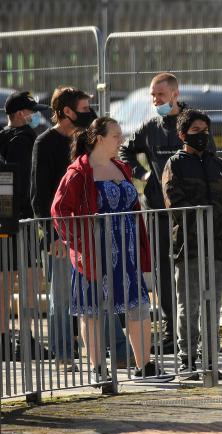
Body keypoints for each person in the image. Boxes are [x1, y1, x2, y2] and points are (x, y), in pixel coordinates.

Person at [51, 117, 164, 381]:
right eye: (116, 136)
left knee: (138, 306)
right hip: (93, 254)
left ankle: (144, 366)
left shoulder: (122, 167)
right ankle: (98, 368)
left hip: (127, 251)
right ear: (99, 138)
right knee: (92, 311)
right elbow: (59, 211)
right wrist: (79, 243)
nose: (121, 141)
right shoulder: (78, 172)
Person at [31, 86, 129, 372]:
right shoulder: (45, 143)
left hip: (91, 234)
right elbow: (40, 196)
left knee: (102, 292)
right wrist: (52, 236)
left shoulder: (87, 139)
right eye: (84, 109)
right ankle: (63, 355)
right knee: (61, 298)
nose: (91, 113)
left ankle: (119, 350)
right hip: (62, 236)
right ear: (67, 112)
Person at [119, 73, 215, 354]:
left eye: (160, 95)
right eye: (152, 95)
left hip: (188, 214)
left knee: (189, 272)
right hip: (158, 211)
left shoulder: (193, 123)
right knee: (161, 271)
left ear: (175, 94)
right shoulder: (150, 127)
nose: (155, 100)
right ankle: (172, 331)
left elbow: (211, 157)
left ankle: (194, 336)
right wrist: (142, 174)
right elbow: (125, 150)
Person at [162, 109, 222, 381]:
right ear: (183, 135)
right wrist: (200, 227)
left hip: (218, 247)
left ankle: (210, 361)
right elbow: (176, 204)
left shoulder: (221, 165)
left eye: (205, 130)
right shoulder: (175, 165)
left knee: (213, 305)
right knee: (189, 304)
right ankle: (187, 361)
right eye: (195, 131)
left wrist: (221, 227)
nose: (202, 136)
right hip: (190, 247)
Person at [0, 92, 44, 363]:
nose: (35, 116)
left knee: (5, 281)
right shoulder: (24, 141)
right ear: (19, 115)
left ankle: (6, 339)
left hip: (5, 220)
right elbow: (24, 182)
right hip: (21, 221)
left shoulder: (3, 138)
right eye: (31, 111)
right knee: (28, 279)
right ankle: (24, 339)